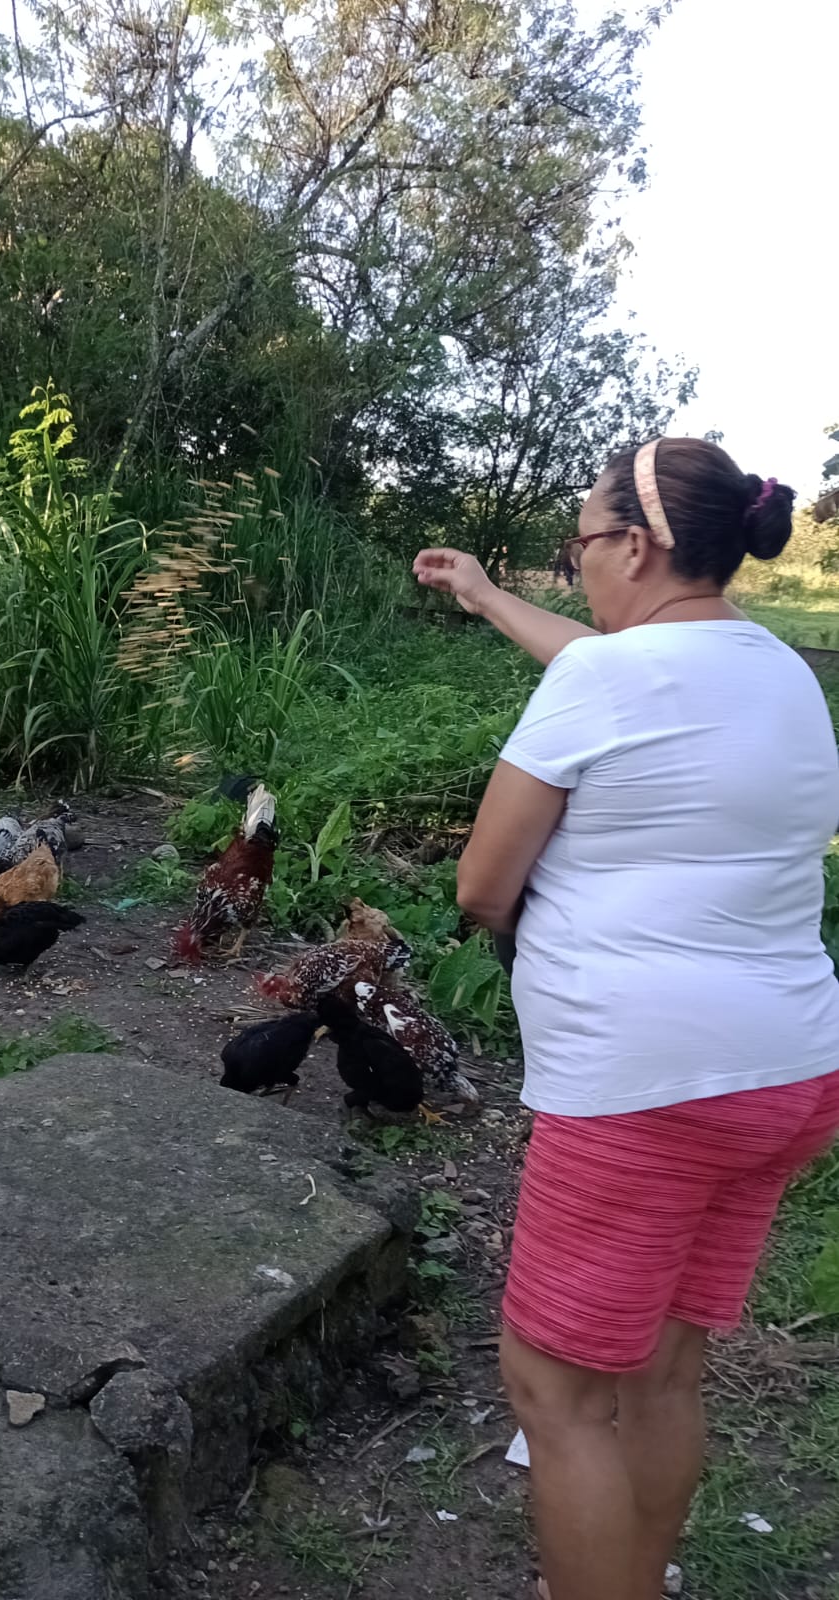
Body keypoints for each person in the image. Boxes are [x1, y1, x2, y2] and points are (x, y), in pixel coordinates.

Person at [414, 436, 839, 1600]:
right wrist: (491, 596)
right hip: (788, 1069)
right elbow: (618, 668)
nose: (579, 565)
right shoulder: (778, 669)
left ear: (636, 546)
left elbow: (481, 888)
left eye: (583, 543)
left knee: (556, 1393)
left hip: (649, 1086)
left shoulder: (601, 683)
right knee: (661, 1371)